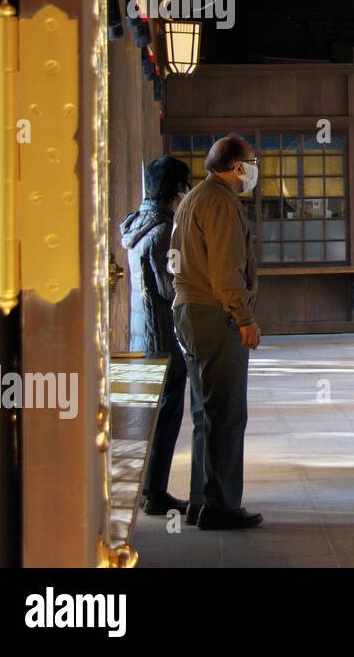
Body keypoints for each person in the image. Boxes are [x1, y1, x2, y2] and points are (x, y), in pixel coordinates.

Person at [170, 134, 264, 530]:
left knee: (205, 412)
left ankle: (201, 501)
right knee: (226, 412)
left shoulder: (195, 197)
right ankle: (221, 505)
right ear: (237, 166)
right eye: (252, 162)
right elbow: (227, 270)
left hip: (190, 309)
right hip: (214, 313)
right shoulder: (222, 202)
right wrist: (244, 317)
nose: (254, 170)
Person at [120, 156, 193, 516]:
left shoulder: (136, 225)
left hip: (140, 336)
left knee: (146, 417)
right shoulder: (164, 230)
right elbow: (168, 287)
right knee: (166, 417)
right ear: (177, 190)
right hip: (160, 336)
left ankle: (147, 487)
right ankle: (154, 491)